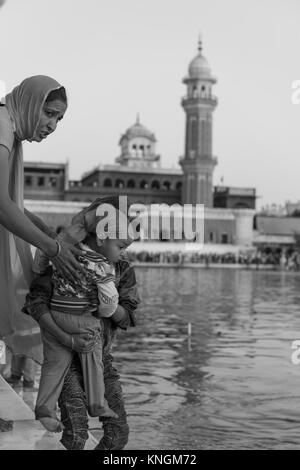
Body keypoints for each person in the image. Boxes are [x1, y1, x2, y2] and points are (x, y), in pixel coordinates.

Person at [23, 198, 140, 449]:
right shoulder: (63, 256)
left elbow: (128, 316)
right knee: (76, 436)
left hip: (100, 358)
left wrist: (108, 307)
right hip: (66, 359)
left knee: (117, 435)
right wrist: (66, 338)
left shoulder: (121, 269)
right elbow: (36, 304)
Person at [0, 75, 89, 366]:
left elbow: (13, 205)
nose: (52, 125)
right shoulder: (2, 126)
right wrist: (53, 250)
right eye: (48, 113)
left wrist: (51, 234)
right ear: (29, 103)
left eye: (58, 119)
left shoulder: (9, 130)